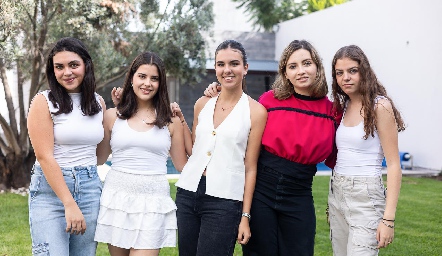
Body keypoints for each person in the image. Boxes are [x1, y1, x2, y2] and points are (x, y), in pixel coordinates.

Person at [205, 39, 341, 256]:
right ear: (285, 73)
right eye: (293, 66)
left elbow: (340, 158)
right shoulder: (269, 101)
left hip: (300, 193)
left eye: (306, 63)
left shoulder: (332, 111)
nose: (301, 71)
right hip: (262, 192)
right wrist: (215, 92)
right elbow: (236, 127)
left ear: (317, 66)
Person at [174, 39, 267, 256]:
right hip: (188, 193)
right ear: (215, 68)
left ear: (245, 68)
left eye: (234, 63)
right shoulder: (202, 104)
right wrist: (180, 120)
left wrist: (245, 216)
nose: (227, 70)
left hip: (225, 200)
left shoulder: (256, 112)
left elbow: (250, 167)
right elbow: (193, 150)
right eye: (220, 64)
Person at [93, 51, 188, 256]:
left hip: (153, 202)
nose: (147, 83)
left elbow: (182, 166)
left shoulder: (171, 121)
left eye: (154, 78)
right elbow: (99, 159)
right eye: (142, 76)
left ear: (161, 83)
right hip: (117, 199)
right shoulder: (112, 116)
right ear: (132, 78)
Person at [27, 37, 105, 255]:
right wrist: (69, 203)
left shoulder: (98, 102)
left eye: (73, 65)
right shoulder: (43, 101)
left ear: (86, 65)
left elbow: (99, 156)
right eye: (59, 67)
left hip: (90, 188)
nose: (66, 72)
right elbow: (44, 157)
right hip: (51, 192)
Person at [328, 45, 405, 255]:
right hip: (337, 194)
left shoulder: (380, 106)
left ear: (365, 72)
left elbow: (393, 164)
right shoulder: (343, 107)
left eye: (352, 70)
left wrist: (388, 219)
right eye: (339, 73)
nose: (346, 77)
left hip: (366, 197)